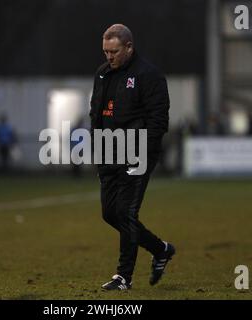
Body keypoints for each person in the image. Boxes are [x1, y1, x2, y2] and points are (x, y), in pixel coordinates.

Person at [89, 24, 175, 291]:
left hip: (136, 153)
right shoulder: (102, 74)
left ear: (129, 47)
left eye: (114, 51)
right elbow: (96, 114)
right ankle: (160, 249)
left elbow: (159, 120)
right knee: (110, 214)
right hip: (109, 153)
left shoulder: (149, 75)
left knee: (125, 212)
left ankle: (123, 277)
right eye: (105, 51)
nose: (109, 57)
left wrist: (143, 154)